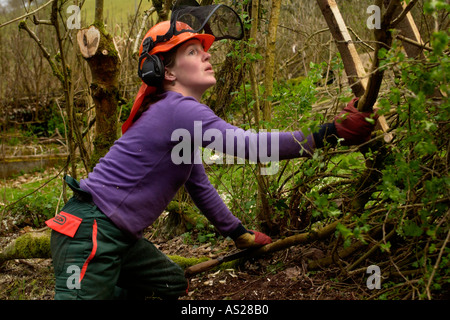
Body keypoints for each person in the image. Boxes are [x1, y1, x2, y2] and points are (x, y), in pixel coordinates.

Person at [46, 18, 377, 300]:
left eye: (203, 49)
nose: (205, 55)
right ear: (168, 73)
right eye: (192, 52)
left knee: (170, 284)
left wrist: (237, 233)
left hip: (116, 237)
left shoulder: (176, 118)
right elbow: (251, 145)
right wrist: (329, 133)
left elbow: (200, 187)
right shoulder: (178, 109)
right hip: (89, 231)